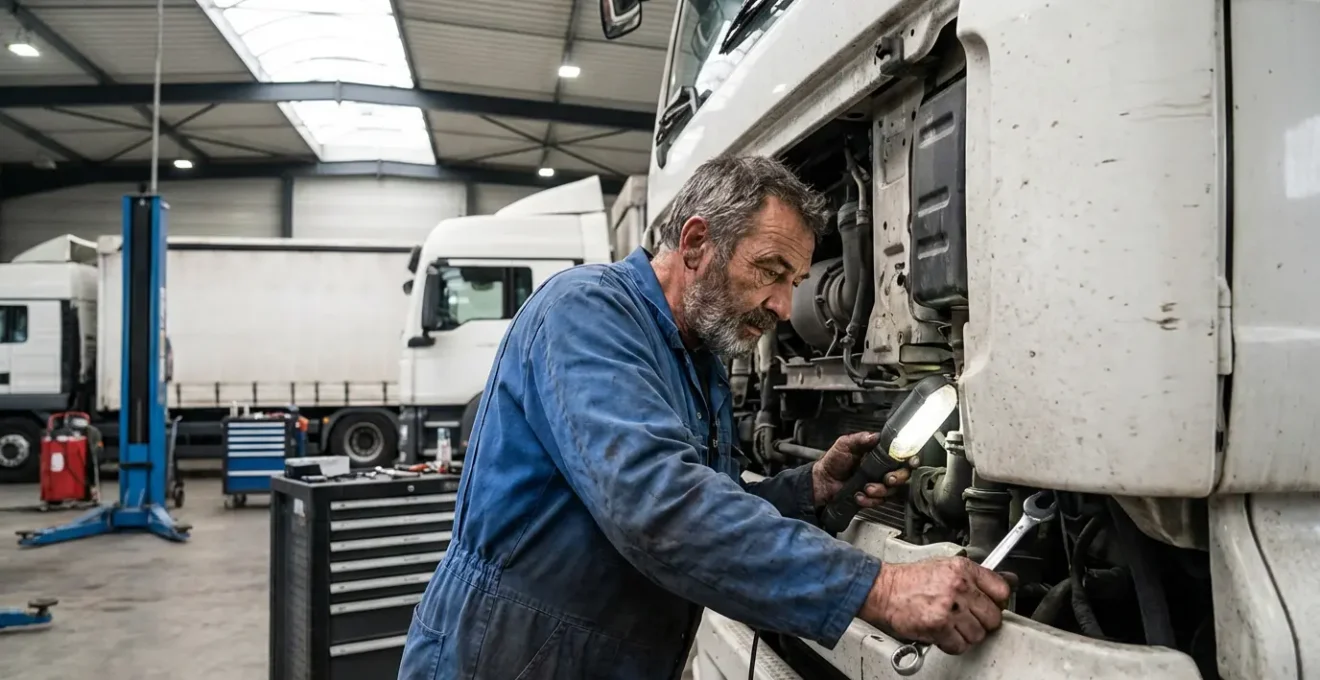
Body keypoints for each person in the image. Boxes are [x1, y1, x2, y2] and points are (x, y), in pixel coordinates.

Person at [398, 156, 1011, 679]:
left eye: (795, 281)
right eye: (770, 272)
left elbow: (710, 499)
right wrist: (879, 588)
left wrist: (810, 489)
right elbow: (657, 505)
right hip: (507, 653)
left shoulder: (698, 358)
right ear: (695, 244)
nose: (781, 304)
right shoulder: (585, 310)